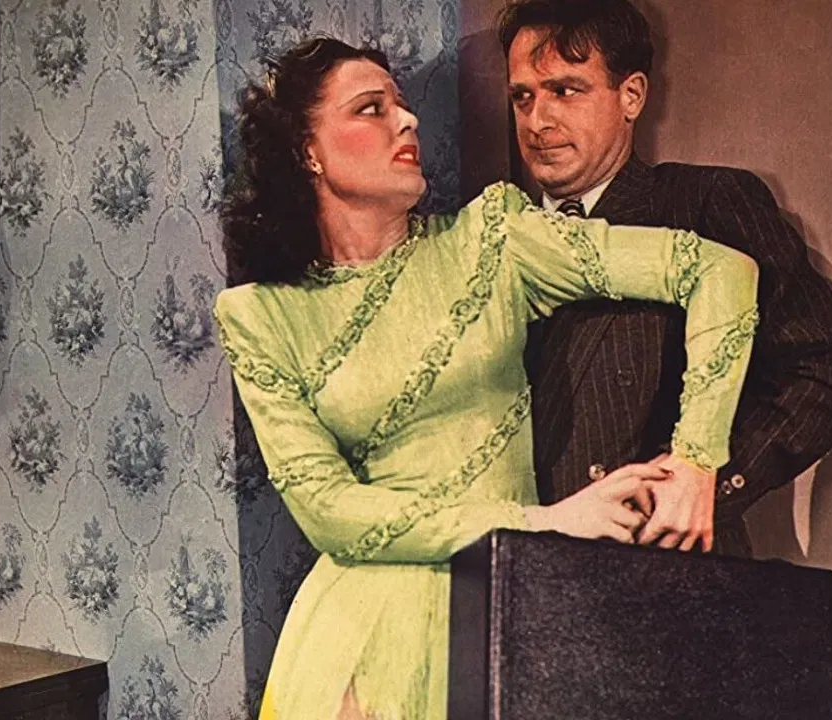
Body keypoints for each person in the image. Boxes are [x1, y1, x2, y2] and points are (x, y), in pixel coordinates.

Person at [216, 37, 760, 719]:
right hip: (360, 626)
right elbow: (328, 511)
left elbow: (719, 271)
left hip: (501, 606)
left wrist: (697, 458)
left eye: (402, 104)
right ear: (308, 151)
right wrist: (542, 522)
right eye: (371, 109)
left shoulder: (492, 239)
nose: (407, 120)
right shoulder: (259, 316)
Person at [498, 0, 832, 557]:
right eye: (523, 97)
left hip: (664, 566)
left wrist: (706, 482)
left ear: (631, 95)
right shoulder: (495, 236)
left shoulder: (703, 204)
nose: (537, 121)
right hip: (526, 564)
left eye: (565, 91)